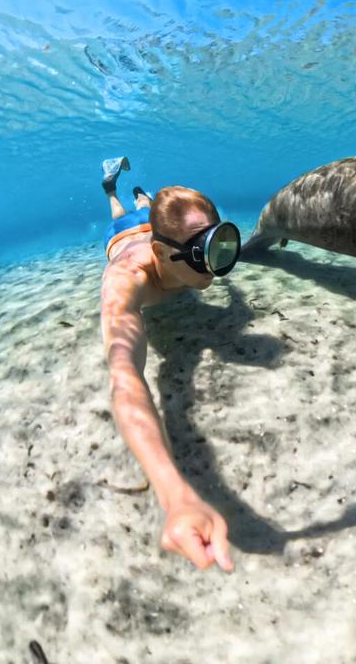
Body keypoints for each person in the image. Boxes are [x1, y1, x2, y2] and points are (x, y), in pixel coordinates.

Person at [99, 157, 241, 572]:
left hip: (156, 231)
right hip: (123, 239)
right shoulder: (127, 282)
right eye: (201, 256)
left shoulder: (179, 249)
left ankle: (141, 195)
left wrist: (235, 298)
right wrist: (175, 494)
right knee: (120, 216)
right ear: (162, 254)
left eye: (219, 247)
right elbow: (124, 373)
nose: (213, 269)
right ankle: (112, 190)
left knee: (147, 208)